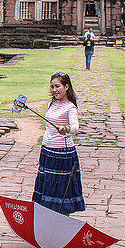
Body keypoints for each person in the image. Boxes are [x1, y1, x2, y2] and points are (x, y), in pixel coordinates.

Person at [32, 71, 86, 214]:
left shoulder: (70, 107)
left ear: (66, 86)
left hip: (62, 154)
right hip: (47, 151)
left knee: (61, 191)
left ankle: (62, 222)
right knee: (47, 188)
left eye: (57, 86)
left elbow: (75, 128)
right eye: (52, 87)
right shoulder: (52, 103)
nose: (54, 90)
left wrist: (66, 128)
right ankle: (48, 221)